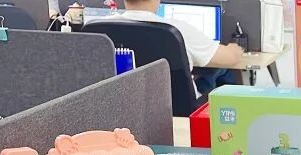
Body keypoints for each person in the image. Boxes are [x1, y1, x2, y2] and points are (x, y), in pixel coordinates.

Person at [103, 0, 244, 96]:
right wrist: (234, 47)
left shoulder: (99, 28)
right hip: (178, 110)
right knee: (222, 70)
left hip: (121, 109)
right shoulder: (177, 29)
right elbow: (232, 58)